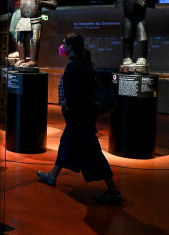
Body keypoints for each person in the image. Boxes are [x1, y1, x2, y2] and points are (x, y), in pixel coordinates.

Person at [36, 33, 121, 204]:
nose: (62, 46)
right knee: (67, 144)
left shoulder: (75, 66)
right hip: (79, 118)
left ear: (72, 46)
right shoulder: (80, 65)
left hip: (79, 118)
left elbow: (78, 93)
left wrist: (69, 106)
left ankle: (112, 190)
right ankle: (53, 175)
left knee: (93, 154)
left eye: (65, 43)